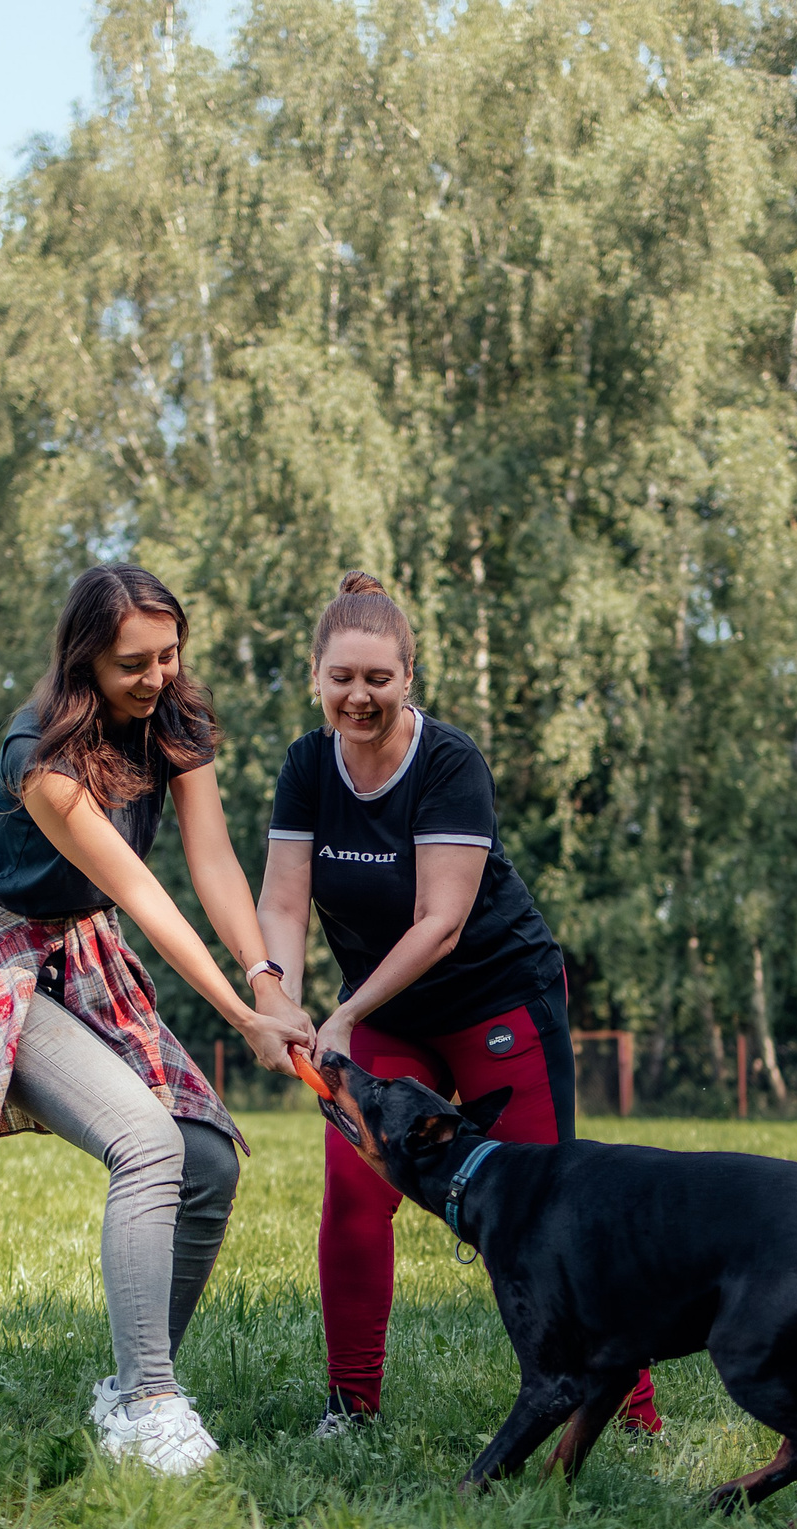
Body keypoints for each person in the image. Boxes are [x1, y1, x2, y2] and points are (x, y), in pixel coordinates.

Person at [0, 562, 314, 1474]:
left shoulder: (175, 715)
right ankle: (148, 1402)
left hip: (82, 950)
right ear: (85, 659)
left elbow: (211, 862)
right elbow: (139, 888)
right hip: (0, 959)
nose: (158, 675)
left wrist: (265, 981)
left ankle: (134, 1381)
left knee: (207, 1158)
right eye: (135, 662)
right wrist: (237, 1016)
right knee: (148, 1144)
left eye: (170, 653)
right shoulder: (41, 758)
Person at [257, 571, 662, 1436]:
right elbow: (285, 904)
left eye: (378, 678)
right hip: (389, 1018)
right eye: (341, 678)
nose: (358, 696)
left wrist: (343, 1014)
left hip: (496, 999)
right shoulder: (304, 766)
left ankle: (629, 1405)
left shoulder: (449, 762)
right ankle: (350, 1406)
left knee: (551, 1209)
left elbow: (439, 924)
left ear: (410, 676)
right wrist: (281, 998)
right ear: (316, 676)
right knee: (356, 1193)